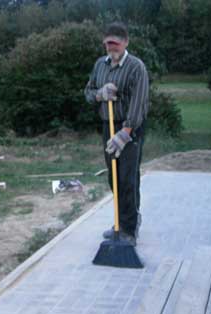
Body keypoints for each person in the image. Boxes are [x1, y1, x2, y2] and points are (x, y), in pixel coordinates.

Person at [84, 21, 149, 246]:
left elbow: (139, 103)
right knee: (113, 178)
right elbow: (88, 92)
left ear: (125, 43)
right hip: (107, 125)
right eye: (108, 45)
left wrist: (126, 133)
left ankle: (129, 231)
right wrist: (100, 94)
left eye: (116, 45)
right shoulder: (100, 66)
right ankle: (120, 223)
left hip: (130, 127)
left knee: (127, 179)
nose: (112, 49)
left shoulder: (136, 67)